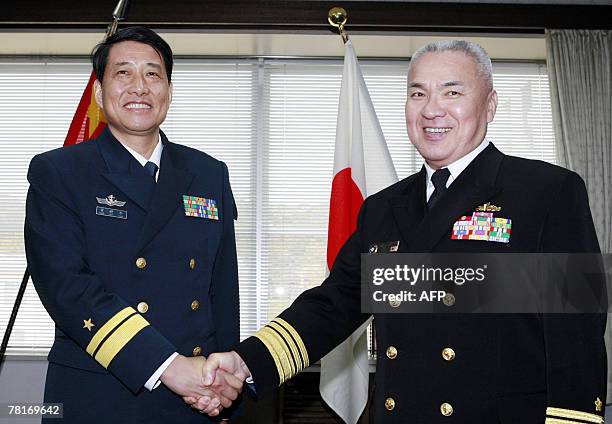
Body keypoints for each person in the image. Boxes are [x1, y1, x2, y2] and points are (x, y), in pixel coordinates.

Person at [194, 40, 607, 423]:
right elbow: (333, 304)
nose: (431, 109)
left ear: (491, 105)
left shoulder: (547, 191)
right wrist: (246, 361)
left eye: (452, 92)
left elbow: (577, 333)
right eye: (417, 93)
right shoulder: (383, 208)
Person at [25, 26, 242, 423]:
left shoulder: (208, 172)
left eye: (153, 74)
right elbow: (68, 287)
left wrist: (225, 387)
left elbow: (221, 288)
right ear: (98, 92)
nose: (139, 87)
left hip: (196, 398)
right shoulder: (59, 172)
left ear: (169, 91)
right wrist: (168, 366)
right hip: (100, 395)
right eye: (123, 73)